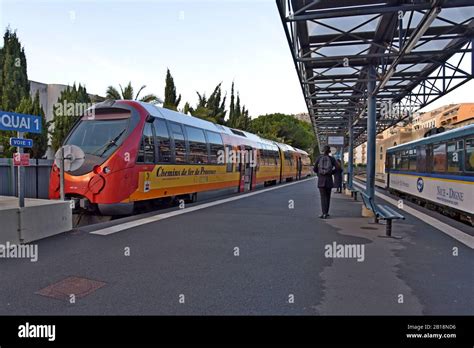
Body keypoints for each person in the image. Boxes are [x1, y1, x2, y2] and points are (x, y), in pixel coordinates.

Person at [314, 145, 337, 219]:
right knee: (328, 197)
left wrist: (319, 174)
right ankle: (326, 213)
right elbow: (338, 168)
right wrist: (331, 172)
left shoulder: (319, 158)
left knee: (323, 197)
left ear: (323, 151)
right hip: (329, 180)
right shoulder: (332, 159)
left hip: (321, 180)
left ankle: (323, 213)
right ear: (329, 151)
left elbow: (314, 169)